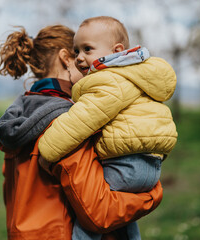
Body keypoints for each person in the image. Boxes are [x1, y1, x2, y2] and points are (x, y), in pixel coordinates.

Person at [0, 24, 163, 240]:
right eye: (79, 54)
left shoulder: (20, 117)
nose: (93, 68)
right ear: (66, 58)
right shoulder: (69, 123)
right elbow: (99, 213)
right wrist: (152, 194)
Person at [38, 16, 178, 240]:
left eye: (88, 49)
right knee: (121, 218)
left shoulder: (108, 79)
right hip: (151, 164)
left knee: (90, 218)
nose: (80, 58)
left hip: (125, 164)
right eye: (76, 51)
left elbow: (81, 120)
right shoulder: (135, 76)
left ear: (117, 50)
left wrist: (47, 152)